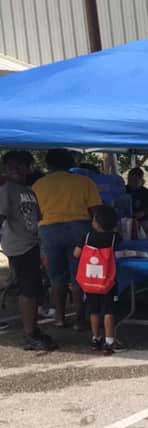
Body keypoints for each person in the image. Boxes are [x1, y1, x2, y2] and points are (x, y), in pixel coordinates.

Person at [31, 148, 101, 329]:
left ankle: (59, 318)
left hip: (49, 231)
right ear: (70, 162)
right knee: (78, 276)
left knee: (56, 277)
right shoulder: (84, 181)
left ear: (48, 164)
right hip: (79, 229)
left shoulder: (38, 185)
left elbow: (36, 213)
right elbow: (96, 211)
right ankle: (80, 319)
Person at [0, 150, 57, 351]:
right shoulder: (6, 190)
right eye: (9, 166)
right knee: (28, 289)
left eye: (19, 166)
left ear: (28, 168)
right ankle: (29, 334)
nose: (14, 170)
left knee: (35, 288)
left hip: (33, 243)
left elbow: (36, 218)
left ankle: (34, 328)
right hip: (18, 245)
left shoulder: (29, 191)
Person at [73, 205, 126, 355]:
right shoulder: (115, 238)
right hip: (108, 281)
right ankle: (110, 341)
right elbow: (119, 253)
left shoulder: (87, 236)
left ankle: (95, 339)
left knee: (93, 310)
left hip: (90, 282)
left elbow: (76, 254)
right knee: (109, 311)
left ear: (96, 222)